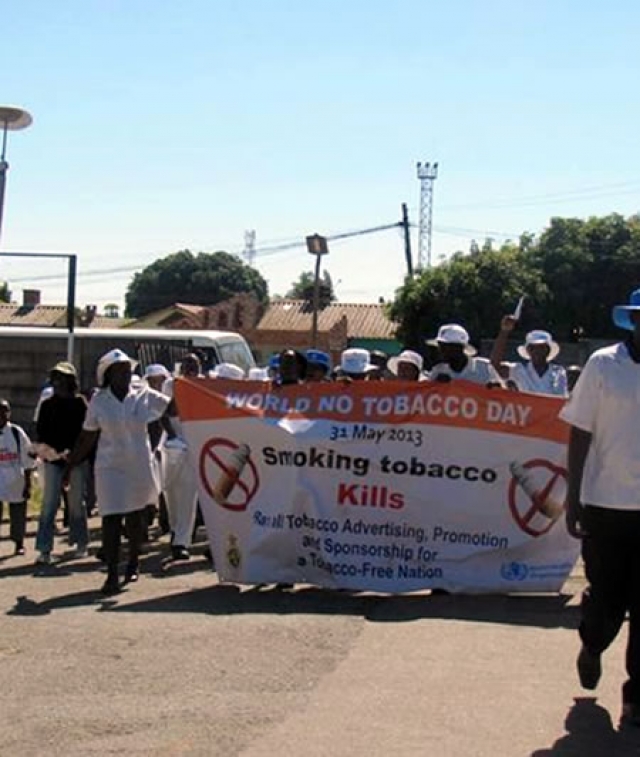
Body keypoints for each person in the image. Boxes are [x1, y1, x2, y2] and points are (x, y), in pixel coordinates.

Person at [560, 288, 640, 726]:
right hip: (606, 505)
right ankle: (592, 644)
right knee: (608, 602)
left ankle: (636, 696)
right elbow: (579, 432)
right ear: (633, 321)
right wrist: (573, 499)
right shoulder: (605, 364)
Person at [67, 349, 170, 595]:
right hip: (110, 467)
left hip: (138, 465)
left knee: (135, 519)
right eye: (120, 371)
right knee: (111, 519)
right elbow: (88, 435)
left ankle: (133, 562)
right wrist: (71, 464)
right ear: (108, 375)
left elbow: (170, 409)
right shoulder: (99, 401)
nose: (126, 375)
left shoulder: (143, 394)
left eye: (128, 370)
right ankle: (112, 572)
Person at [35, 362, 89, 564]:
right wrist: (51, 451)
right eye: (55, 378)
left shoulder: (80, 403)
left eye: (62, 378)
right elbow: (41, 431)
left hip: (76, 459)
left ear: (70, 381)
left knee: (76, 503)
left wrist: (74, 455)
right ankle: (44, 548)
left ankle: (80, 541)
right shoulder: (48, 405)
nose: (58, 382)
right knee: (49, 504)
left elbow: (86, 432)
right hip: (53, 459)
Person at [162, 353, 204, 561]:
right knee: (172, 495)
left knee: (188, 496)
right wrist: (171, 436)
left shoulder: (206, 387)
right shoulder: (171, 386)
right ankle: (174, 531)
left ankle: (181, 543)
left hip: (193, 449)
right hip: (173, 448)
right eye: (186, 365)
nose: (190, 369)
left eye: (194, 365)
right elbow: (165, 414)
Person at [491, 316, 568, 396]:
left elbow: (562, 400)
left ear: (548, 350)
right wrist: (504, 331)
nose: (537, 351)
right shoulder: (519, 369)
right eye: (532, 348)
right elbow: (495, 365)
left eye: (541, 347)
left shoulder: (558, 372)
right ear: (528, 351)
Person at [0, 400, 34, 557]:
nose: (2, 414)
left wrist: (28, 483)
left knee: (18, 513)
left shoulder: (16, 432)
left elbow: (27, 458)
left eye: (5, 411)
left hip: (15, 477)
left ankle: (19, 543)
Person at [428, 324, 502, 386]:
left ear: (459, 348)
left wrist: (493, 389)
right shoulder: (438, 371)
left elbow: (504, 396)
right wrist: (436, 385)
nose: (441, 351)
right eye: (440, 346)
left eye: (445, 347)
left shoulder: (484, 368)